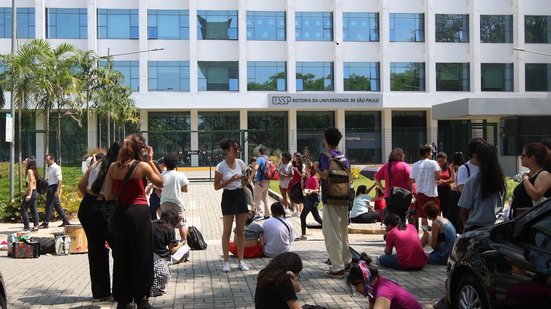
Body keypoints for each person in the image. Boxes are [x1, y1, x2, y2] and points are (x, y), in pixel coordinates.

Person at [104, 133, 163, 309]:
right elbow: (161, 183)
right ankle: (141, 299)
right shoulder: (143, 166)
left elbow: (108, 195)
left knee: (122, 255)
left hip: (121, 213)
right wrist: (151, 160)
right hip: (139, 213)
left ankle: (123, 300)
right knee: (142, 255)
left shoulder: (113, 167)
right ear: (140, 150)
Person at [77, 143, 120, 301]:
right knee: (119, 248)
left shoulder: (96, 164)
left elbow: (81, 186)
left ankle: (101, 293)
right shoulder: (116, 167)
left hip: (87, 208)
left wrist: (91, 200)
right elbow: (111, 195)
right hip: (105, 208)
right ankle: (120, 291)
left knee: (96, 250)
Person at [314, 127, 352, 279]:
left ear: (326, 140)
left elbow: (325, 175)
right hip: (343, 197)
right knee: (343, 231)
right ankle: (346, 261)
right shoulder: (344, 157)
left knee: (331, 232)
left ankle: (337, 267)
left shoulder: (325, 156)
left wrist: (316, 167)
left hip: (330, 198)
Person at [214, 139, 250, 272]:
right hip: (228, 197)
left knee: (241, 231)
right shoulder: (220, 166)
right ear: (227, 151)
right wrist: (231, 179)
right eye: (234, 149)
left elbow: (245, 182)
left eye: (238, 149)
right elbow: (216, 186)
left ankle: (241, 261)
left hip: (240, 195)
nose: (237, 152)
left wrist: (244, 180)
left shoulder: (241, 163)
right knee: (227, 231)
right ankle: (226, 262)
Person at [346, 253, 423, 309]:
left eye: (356, 285)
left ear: (366, 280)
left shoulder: (383, 291)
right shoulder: (373, 287)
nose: (356, 290)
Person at [458, 143, 505, 232]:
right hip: (495, 227)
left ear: (478, 158)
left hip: (476, 228)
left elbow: (464, 211)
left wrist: (466, 228)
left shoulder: (473, 180)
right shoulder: (500, 179)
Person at [150, 208, 187, 298]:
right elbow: (172, 250)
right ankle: (155, 289)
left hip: (146, 253)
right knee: (185, 250)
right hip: (160, 256)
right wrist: (181, 244)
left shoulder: (153, 223)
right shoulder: (170, 229)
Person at [511, 143, 551, 218]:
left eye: (523, 156)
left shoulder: (544, 174)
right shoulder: (530, 174)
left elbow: (536, 196)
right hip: (520, 217)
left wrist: (525, 180)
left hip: (531, 219)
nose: (520, 158)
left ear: (532, 158)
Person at [158, 153, 190, 243]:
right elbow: (186, 189)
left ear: (164, 164)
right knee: (181, 224)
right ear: (176, 164)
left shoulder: (162, 175)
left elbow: (158, 190)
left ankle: (169, 243)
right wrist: (177, 188)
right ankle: (184, 243)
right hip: (177, 202)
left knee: (166, 224)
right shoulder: (180, 175)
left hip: (164, 202)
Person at [374, 148, 411, 222]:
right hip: (403, 195)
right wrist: (411, 192)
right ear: (400, 155)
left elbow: (376, 177)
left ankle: (392, 231)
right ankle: (401, 231)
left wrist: (382, 189)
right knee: (402, 216)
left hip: (389, 195)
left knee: (392, 216)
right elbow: (410, 180)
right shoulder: (404, 166)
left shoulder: (387, 165)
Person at [410, 144, 441, 228]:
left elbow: (412, 180)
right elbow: (438, 177)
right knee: (436, 215)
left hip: (420, 193)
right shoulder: (434, 163)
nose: (431, 154)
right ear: (427, 153)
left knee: (423, 216)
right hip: (432, 193)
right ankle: (436, 234)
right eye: (431, 152)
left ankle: (426, 235)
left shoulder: (415, 165)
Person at [38, 154, 71, 228]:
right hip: (50, 187)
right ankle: (65, 221)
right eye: (46, 160)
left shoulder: (56, 168)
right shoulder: (50, 167)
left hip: (53, 187)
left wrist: (57, 190)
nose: (46, 162)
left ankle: (45, 223)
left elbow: (59, 180)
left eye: (48, 160)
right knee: (56, 206)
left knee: (48, 206)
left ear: (52, 160)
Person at [296, 162, 322, 241]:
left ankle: (303, 235)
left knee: (302, 216)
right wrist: (302, 183)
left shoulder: (314, 178)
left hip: (313, 200)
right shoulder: (308, 178)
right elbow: (305, 188)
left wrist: (311, 191)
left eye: (306, 168)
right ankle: (330, 230)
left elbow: (318, 190)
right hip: (308, 199)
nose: (305, 169)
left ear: (310, 169)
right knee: (317, 218)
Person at [252, 147, 271, 219]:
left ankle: (259, 213)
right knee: (265, 198)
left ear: (259, 152)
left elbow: (255, 168)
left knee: (257, 197)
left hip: (260, 181)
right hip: (267, 180)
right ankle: (267, 214)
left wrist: (251, 177)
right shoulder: (267, 159)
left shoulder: (260, 159)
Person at [21, 158, 40, 232]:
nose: (24, 161)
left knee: (23, 209)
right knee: (33, 209)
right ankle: (36, 226)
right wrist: (27, 191)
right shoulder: (33, 171)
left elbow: (31, 183)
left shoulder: (29, 171)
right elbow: (31, 183)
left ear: (29, 163)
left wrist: (29, 194)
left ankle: (27, 227)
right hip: (34, 192)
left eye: (25, 160)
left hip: (32, 192)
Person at [449, 152, 465, 232]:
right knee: (457, 211)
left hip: (456, 191)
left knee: (456, 212)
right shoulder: (460, 167)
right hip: (457, 191)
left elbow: (453, 179)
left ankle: (458, 229)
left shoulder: (458, 168)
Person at [436, 152, 454, 220]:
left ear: (445, 160)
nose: (441, 163)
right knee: (437, 211)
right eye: (439, 161)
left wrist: (443, 182)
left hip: (447, 192)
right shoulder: (435, 169)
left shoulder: (449, 168)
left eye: (442, 161)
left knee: (446, 212)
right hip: (437, 192)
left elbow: (452, 179)